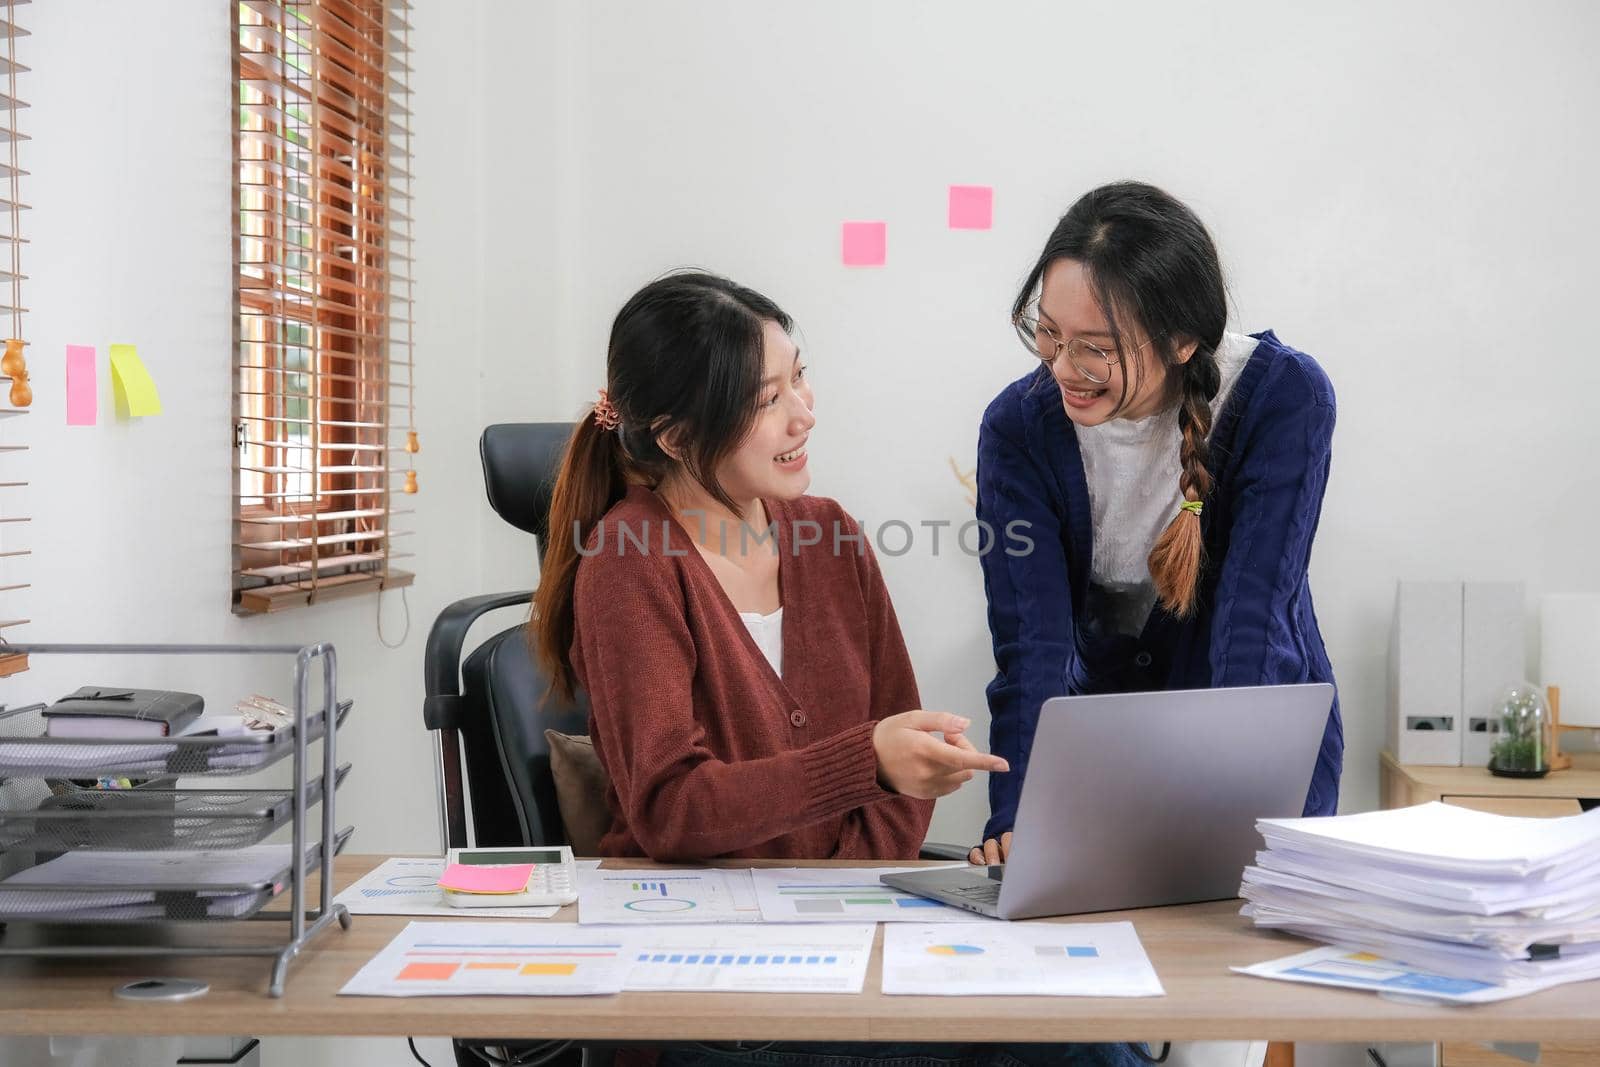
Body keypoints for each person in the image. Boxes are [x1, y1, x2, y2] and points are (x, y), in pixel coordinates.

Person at [531, 271, 1146, 1067]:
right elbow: (670, 807)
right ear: (678, 435)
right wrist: (867, 766)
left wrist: (848, 875)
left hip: (846, 946)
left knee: (1077, 1028)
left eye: (801, 376)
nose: (804, 411)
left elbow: (902, 758)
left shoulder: (832, 535)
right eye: (767, 398)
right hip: (703, 991)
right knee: (1058, 1052)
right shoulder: (627, 560)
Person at [972, 182, 1343, 867]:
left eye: (1096, 348)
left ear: (1180, 341)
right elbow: (1033, 643)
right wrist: (1023, 816)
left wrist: (1229, 815)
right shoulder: (1017, 428)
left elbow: (1252, 623)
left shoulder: (1284, 397)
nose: (1062, 368)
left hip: (1256, 759)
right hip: (1098, 767)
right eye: (1048, 333)